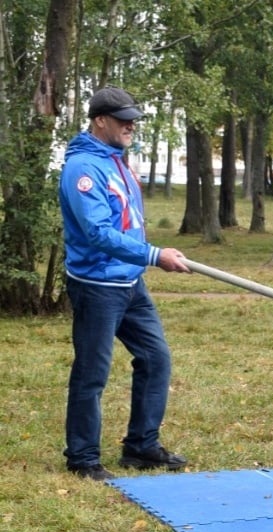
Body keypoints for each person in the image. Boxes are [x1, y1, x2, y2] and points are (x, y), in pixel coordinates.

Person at [59, 86, 191, 481]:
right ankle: (82, 458)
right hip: (97, 286)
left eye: (133, 120)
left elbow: (127, 223)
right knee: (92, 372)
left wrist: (148, 255)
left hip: (131, 284)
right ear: (100, 121)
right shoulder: (83, 169)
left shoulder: (117, 161)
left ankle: (141, 446)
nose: (131, 126)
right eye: (123, 120)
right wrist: (154, 255)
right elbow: (98, 233)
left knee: (155, 358)